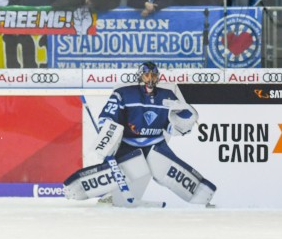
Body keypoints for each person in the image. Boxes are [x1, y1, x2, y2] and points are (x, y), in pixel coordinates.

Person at [63, 62, 216, 208]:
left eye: (153, 76)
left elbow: (172, 126)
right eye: (147, 76)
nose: (150, 80)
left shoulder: (168, 97)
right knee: (114, 173)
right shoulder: (124, 93)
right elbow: (107, 117)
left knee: (168, 171)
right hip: (128, 143)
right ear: (140, 76)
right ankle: (91, 191)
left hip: (155, 143)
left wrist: (182, 125)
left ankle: (202, 196)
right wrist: (107, 130)